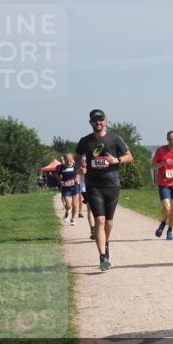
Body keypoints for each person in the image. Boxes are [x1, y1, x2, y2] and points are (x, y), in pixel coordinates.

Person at [75, 109, 133, 271]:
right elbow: (78, 155)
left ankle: (105, 244)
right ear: (90, 122)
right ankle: (102, 257)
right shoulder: (85, 141)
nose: (98, 123)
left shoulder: (115, 139)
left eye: (100, 120)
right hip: (93, 185)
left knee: (108, 221)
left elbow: (129, 156)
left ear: (105, 121)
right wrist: (81, 165)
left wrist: (117, 159)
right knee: (99, 220)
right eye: (95, 120)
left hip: (112, 185)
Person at [152, 130, 173, 241]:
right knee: (167, 208)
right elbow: (153, 166)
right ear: (167, 139)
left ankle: (170, 230)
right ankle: (163, 223)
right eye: (170, 139)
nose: (172, 141)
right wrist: (163, 163)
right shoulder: (160, 150)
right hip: (163, 182)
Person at [55, 153, 81, 225]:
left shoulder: (76, 166)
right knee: (69, 205)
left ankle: (72, 219)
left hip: (75, 187)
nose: (69, 162)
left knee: (75, 205)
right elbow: (56, 174)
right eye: (67, 160)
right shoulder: (60, 167)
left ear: (72, 159)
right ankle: (67, 212)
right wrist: (60, 181)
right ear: (64, 160)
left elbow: (79, 172)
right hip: (66, 188)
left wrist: (77, 177)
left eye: (70, 160)